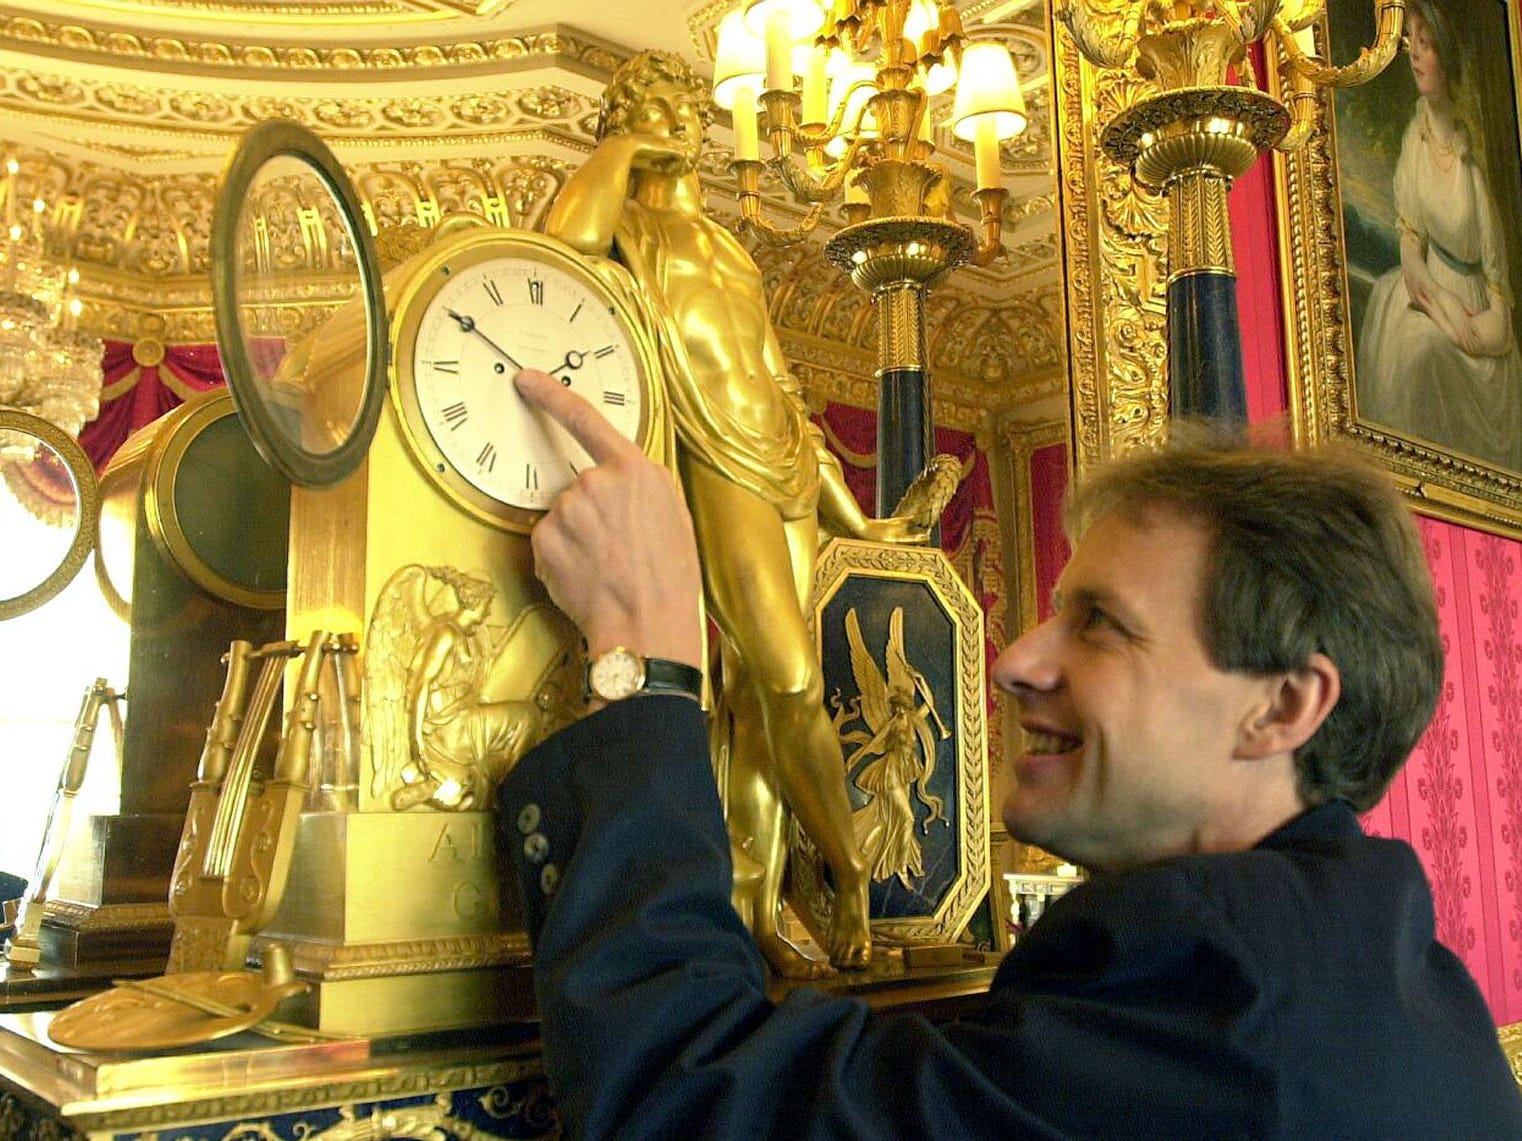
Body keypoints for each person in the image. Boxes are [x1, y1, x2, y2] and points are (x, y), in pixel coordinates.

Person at [498, 366, 1522, 1138]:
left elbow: (682, 1099)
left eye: (1100, 624)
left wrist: (650, 645)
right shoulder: (1416, 990)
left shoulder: (1213, 1003)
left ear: (1282, 706)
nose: (1016, 659)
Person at [543, 50, 934, 976]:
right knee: (793, 680)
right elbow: (564, 247)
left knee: (763, 705)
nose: (676, 122)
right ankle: (849, 870)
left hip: (784, 464)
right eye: (651, 108)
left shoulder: (730, 250)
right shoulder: (627, 225)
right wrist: (620, 149)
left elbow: (784, 385)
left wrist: (855, 517)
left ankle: (758, 906)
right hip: (710, 459)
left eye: (683, 110)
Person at [1355, 0, 1522, 471]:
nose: (1413, 55)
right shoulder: (1415, 136)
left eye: (1425, 45)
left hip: (1475, 307)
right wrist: (1443, 307)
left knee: (1428, 353)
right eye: (1411, 43)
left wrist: (1469, 328)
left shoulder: (1473, 166)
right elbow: (1410, 240)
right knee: (1410, 346)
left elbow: (1498, 305)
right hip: (1426, 290)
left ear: (1445, 59)